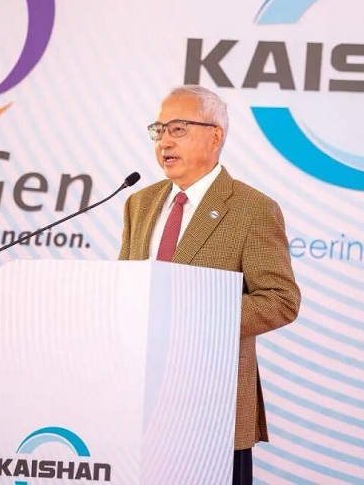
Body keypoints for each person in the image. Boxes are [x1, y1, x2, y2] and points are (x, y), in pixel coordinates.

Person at [119, 84, 301, 484]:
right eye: (159, 130)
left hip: (211, 406)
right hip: (138, 403)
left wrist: (198, 316)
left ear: (215, 136)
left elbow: (280, 300)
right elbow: (125, 287)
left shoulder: (253, 209)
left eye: (178, 129)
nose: (164, 141)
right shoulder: (139, 203)